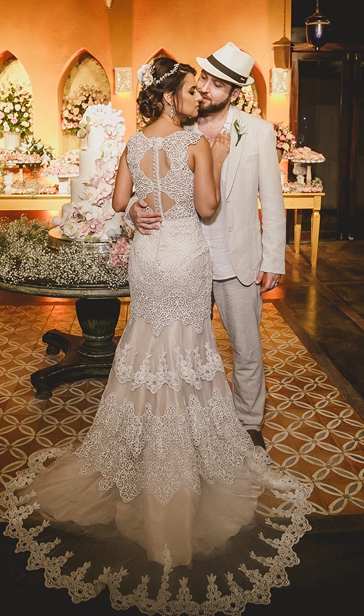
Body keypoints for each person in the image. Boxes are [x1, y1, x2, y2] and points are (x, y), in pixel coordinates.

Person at [2, 58, 311, 615]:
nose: (197, 95)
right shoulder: (195, 144)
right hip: (187, 256)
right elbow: (208, 206)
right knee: (189, 352)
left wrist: (138, 210)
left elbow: (119, 205)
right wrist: (213, 161)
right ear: (171, 97)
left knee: (144, 348)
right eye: (190, 89)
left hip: (148, 261)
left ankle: (140, 448)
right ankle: (189, 454)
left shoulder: (133, 147)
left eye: (202, 88)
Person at [130, 43, 285, 451]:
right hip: (187, 262)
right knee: (187, 347)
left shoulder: (258, 132)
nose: (205, 89)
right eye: (203, 80)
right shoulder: (179, 131)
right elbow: (148, 184)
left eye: (217, 85)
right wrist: (133, 209)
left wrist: (274, 259)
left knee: (245, 348)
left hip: (239, 260)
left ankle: (249, 422)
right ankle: (193, 424)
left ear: (234, 93)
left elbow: (272, 198)